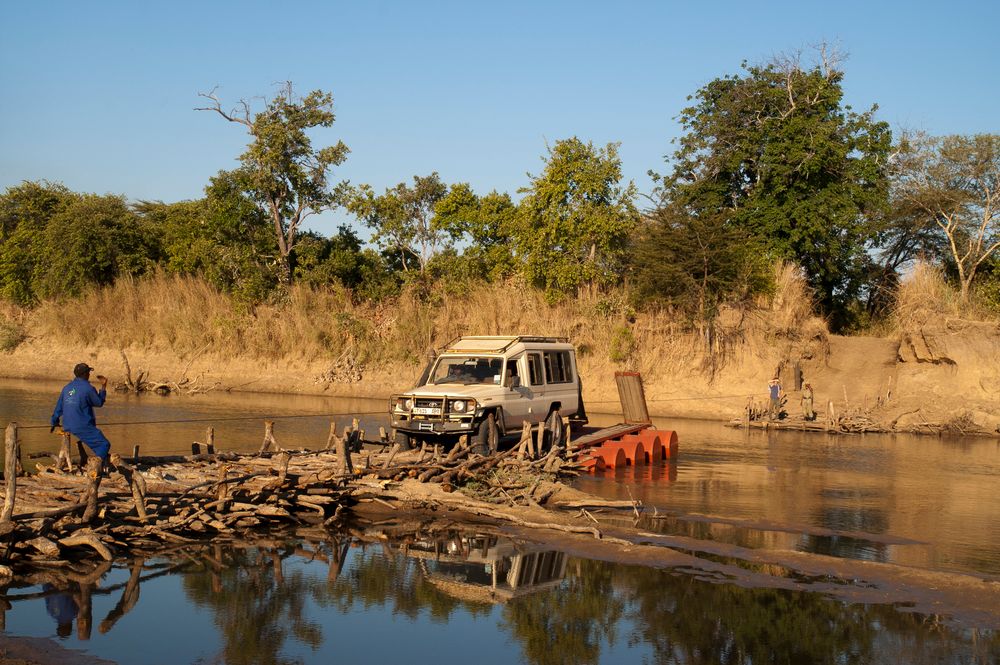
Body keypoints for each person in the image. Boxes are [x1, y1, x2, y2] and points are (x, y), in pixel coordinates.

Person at [50, 363, 111, 462]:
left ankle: (100, 464)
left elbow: (59, 408)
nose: (89, 375)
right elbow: (99, 403)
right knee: (104, 444)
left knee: (98, 446)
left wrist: (54, 422)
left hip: (67, 424)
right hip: (82, 425)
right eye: (88, 372)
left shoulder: (67, 388)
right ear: (85, 374)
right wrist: (103, 386)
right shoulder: (88, 388)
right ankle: (95, 467)